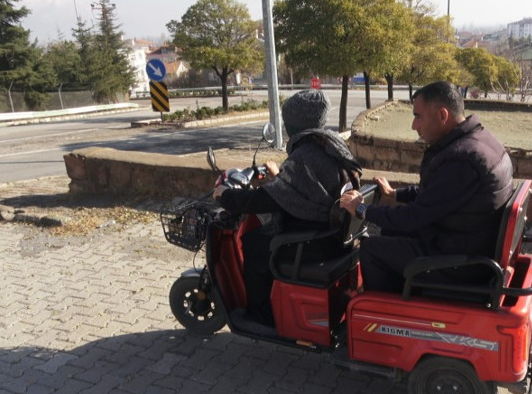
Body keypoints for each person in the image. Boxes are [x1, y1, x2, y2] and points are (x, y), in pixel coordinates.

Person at [339, 80, 513, 293]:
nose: (414, 126)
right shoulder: (479, 141)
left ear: (442, 115)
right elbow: (436, 194)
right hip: (467, 240)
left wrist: (362, 209)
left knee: (370, 248)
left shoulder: (460, 159)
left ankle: (382, 311)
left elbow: (414, 217)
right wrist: (396, 195)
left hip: (462, 263)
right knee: (390, 229)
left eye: (418, 117)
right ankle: (397, 291)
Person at [213, 89, 362, 326]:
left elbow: (266, 201)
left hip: (313, 241)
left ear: (295, 123)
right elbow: (307, 187)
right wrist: (281, 178)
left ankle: (260, 316)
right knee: (262, 238)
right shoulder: (331, 146)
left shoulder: (305, 154)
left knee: (253, 243)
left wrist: (228, 196)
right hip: (333, 234)